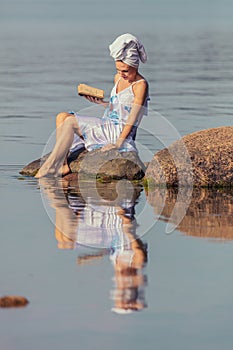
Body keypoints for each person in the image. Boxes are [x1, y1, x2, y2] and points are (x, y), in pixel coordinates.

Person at [35, 33, 149, 178]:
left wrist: (119, 143)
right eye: (118, 70)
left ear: (135, 65)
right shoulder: (118, 78)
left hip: (119, 131)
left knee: (70, 122)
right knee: (62, 117)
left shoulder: (141, 85)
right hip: (108, 123)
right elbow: (118, 108)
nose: (121, 74)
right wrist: (100, 103)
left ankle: (49, 167)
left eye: (125, 70)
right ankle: (63, 165)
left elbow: (133, 117)